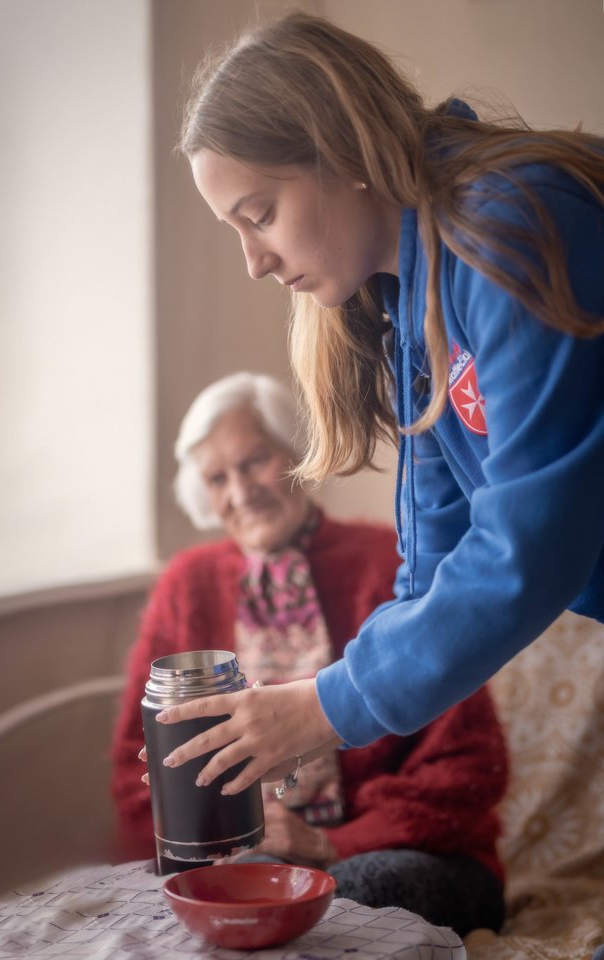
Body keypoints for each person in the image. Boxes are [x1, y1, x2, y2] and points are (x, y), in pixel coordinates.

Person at [154, 12, 604, 813]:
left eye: (259, 215)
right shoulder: (408, 307)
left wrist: (325, 707)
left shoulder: (507, 227)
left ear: (342, 152)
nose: (253, 263)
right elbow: (433, 566)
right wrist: (312, 704)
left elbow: (530, 551)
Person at [111, 372, 509, 934]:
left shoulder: (394, 562)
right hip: (249, 863)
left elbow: (468, 766)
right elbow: (138, 764)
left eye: (253, 461)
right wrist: (206, 846)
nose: (240, 492)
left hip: (415, 856)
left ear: (295, 454)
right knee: (237, 898)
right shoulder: (186, 585)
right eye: (217, 478)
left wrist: (328, 843)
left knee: (332, 906)